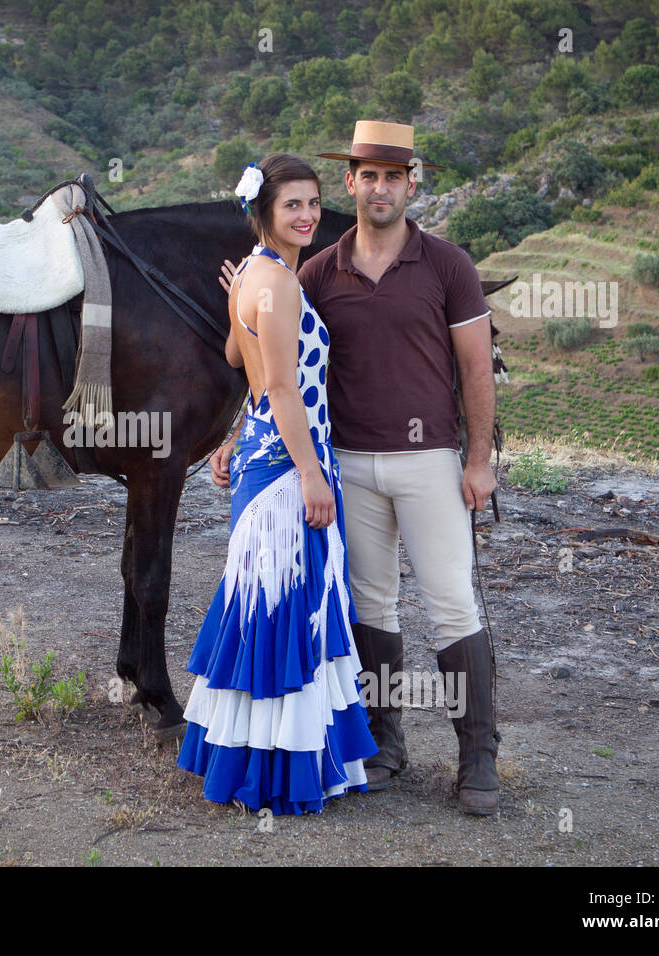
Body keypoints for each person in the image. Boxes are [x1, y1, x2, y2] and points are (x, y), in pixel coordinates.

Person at [211, 121, 501, 816]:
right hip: (345, 463)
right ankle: (383, 741)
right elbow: (278, 369)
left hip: (429, 458)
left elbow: (476, 369)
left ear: (410, 183)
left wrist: (481, 459)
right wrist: (234, 435)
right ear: (352, 182)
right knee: (368, 605)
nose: (379, 186)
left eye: (392, 175)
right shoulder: (314, 270)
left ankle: (478, 757)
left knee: (452, 602)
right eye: (366, 175)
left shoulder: (448, 265)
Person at [177, 153, 377, 815]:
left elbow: (242, 358)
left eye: (314, 203)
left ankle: (250, 757)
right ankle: (279, 771)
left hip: (263, 453)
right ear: (264, 211)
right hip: (291, 463)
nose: (309, 215)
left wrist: (243, 300)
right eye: (293, 205)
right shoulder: (281, 284)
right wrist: (314, 476)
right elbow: (284, 387)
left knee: (266, 604)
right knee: (291, 606)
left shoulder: (257, 277)